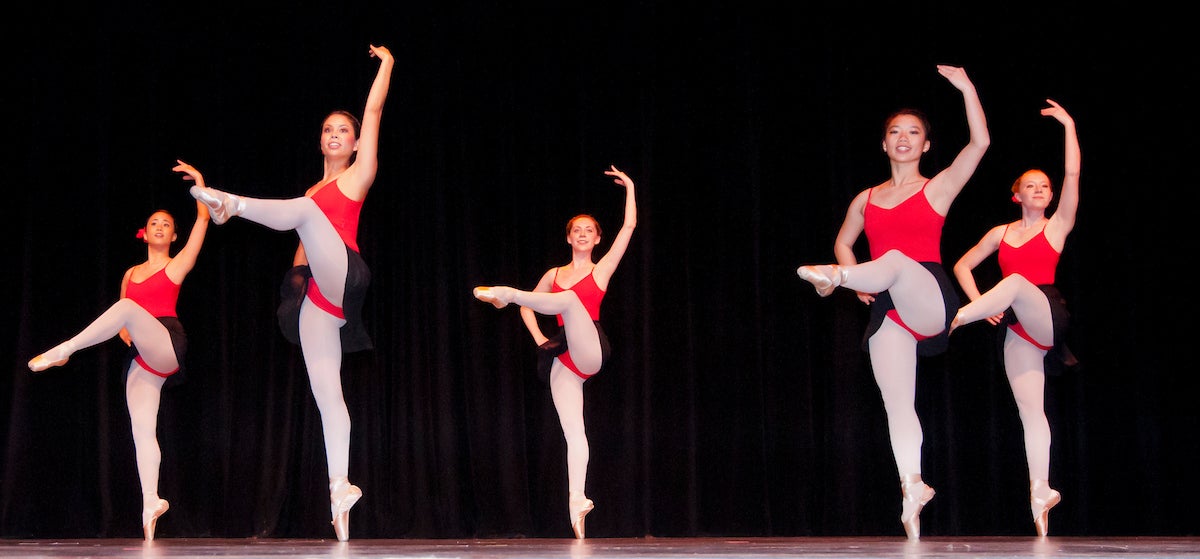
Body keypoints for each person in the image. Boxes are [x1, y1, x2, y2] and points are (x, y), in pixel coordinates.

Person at [185, 44, 393, 542]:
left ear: (357, 143)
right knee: (329, 397)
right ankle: (340, 489)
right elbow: (302, 253)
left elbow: (374, 109)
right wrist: (294, 295)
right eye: (328, 130)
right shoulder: (311, 191)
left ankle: (229, 206)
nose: (335, 135)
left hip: (348, 274)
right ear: (320, 142)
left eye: (343, 130)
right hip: (320, 297)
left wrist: (386, 65)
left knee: (302, 209)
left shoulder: (359, 175)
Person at [796, 65, 989, 539]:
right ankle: (913, 486)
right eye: (895, 132)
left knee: (898, 259)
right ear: (884, 144)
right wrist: (861, 281)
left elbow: (980, 144)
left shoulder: (937, 188)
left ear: (926, 145)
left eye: (914, 133)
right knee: (898, 405)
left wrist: (966, 88)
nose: (903, 138)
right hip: (889, 311)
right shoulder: (865, 198)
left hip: (928, 298)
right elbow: (844, 238)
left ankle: (835, 278)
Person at [27, 160, 211, 541]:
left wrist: (200, 186)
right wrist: (127, 334)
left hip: (167, 343)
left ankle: (65, 349)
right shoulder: (130, 272)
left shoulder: (176, 266)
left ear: (173, 236)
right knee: (142, 430)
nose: (160, 227)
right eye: (154, 223)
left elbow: (203, 224)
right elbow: (122, 323)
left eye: (167, 224)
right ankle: (150, 503)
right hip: (141, 355)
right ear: (144, 234)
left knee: (128, 309)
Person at [472, 165, 637, 539]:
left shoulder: (602, 269)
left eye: (589, 230)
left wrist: (629, 187)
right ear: (569, 237)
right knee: (573, 433)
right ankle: (577, 500)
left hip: (592, 348)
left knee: (567, 301)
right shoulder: (554, 272)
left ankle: (507, 293)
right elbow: (533, 310)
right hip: (564, 359)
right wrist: (539, 340)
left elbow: (628, 229)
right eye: (576, 230)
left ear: (597, 239)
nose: (582, 234)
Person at [949, 99, 1079, 537]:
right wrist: (989, 308)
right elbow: (963, 265)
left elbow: (1073, 175)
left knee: (1019, 282)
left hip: (1047, 312)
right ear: (1016, 194)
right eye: (1032, 185)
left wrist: (1069, 126)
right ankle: (1040, 489)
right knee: (1031, 413)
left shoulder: (1057, 226)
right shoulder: (1000, 233)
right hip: (1017, 328)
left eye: (1045, 185)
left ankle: (961, 316)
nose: (1041, 189)